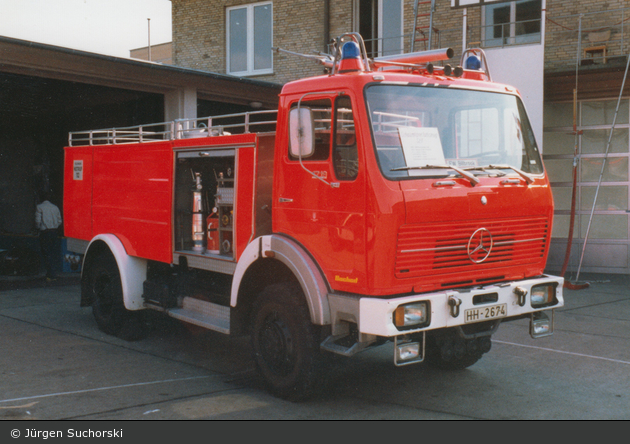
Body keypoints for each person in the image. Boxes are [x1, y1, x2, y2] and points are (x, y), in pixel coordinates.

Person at [35, 193, 62, 280]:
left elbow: (37, 221)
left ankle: (50, 274)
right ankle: (52, 273)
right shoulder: (55, 207)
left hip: (45, 233)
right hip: (54, 232)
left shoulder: (39, 207)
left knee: (46, 253)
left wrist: (38, 228)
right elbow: (59, 221)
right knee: (52, 253)